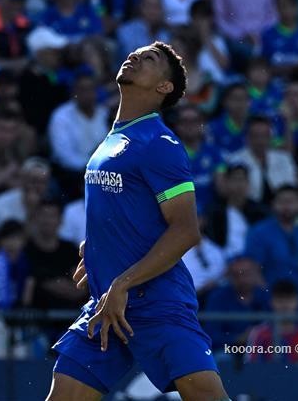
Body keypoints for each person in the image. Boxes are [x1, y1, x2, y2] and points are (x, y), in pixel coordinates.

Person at [47, 41, 226, 400]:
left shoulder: (159, 142)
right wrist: (99, 248)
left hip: (156, 303)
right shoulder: (114, 138)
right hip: (107, 303)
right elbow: (129, 209)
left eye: (149, 59)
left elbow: (186, 230)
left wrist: (122, 283)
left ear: (164, 87)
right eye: (136, 54)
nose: (135, 57)